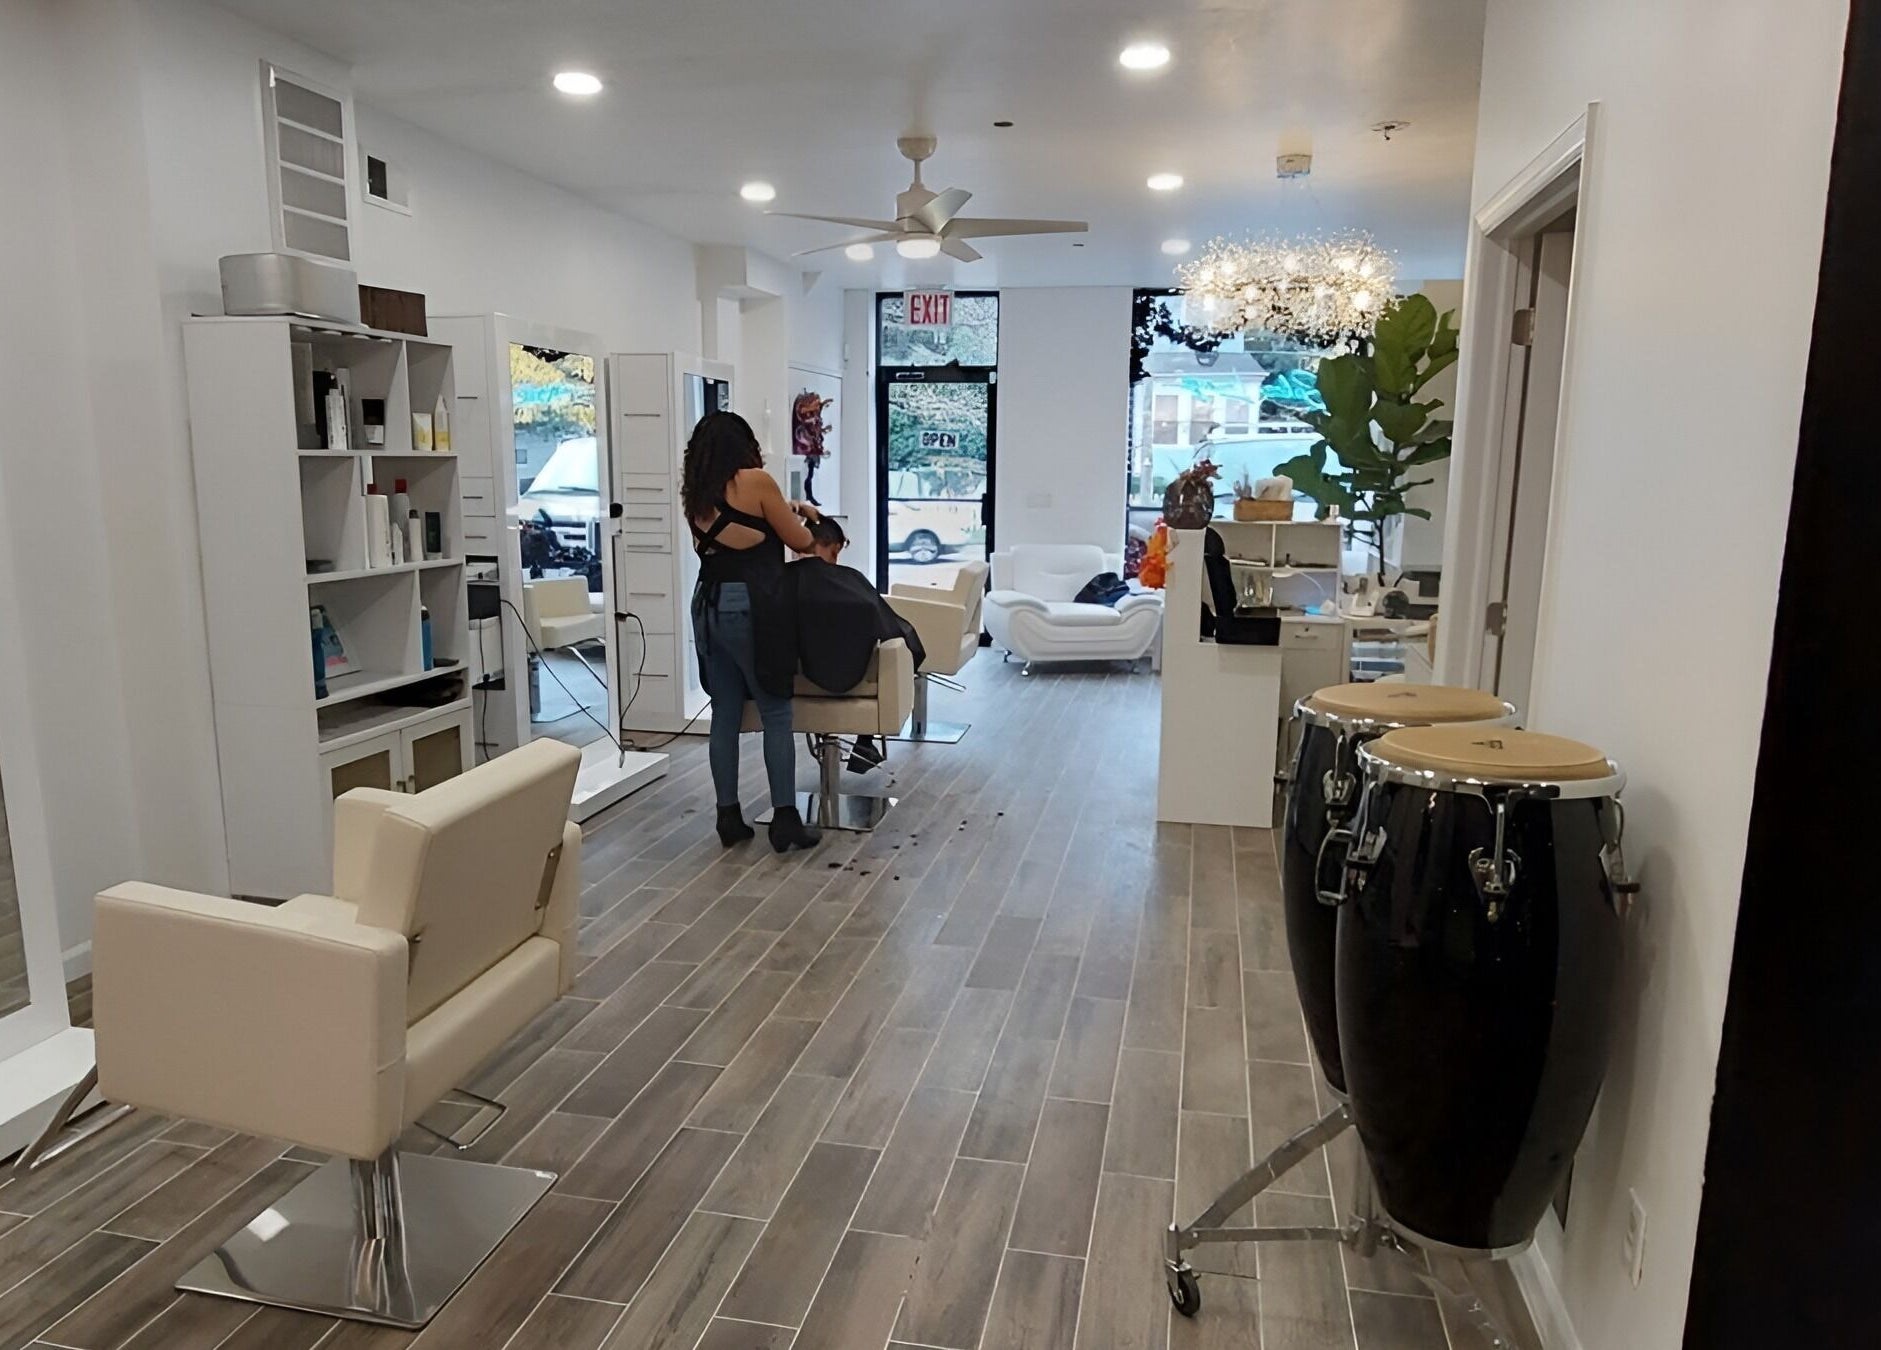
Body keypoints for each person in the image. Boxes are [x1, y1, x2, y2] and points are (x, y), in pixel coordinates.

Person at [683, 411, 822, 851]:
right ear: (743, 445)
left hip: (707, 604)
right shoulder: (757, 480)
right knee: (775, 710)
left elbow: (737, 531)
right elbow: (800, 542)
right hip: (752, 606)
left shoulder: (697, 494)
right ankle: (784, 820)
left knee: (725, 710)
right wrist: (805, 516)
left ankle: (729, 817)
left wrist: (790, 508)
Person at [789, 516, 927, 771]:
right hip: (857, 683)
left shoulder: (782, 581)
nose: (836, 562)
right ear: (828, 545)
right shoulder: (851, 581)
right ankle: (865, 740)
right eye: (834, 553)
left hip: (794, 683)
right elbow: (896, 633)